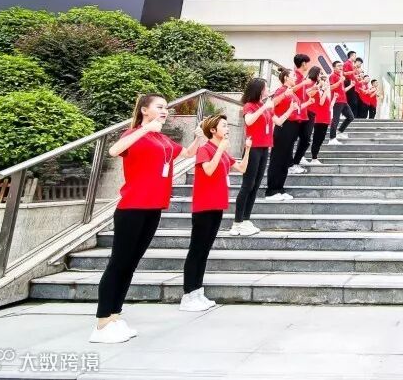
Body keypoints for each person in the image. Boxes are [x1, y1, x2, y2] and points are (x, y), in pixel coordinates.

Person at [91, 94, 207, 344]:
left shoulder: (162, 138)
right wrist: (144, 129)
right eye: (159, 107)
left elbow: (187, 153)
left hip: (154, 207)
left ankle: (114, 316)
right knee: (118, 263)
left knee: (131, 264)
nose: (165, 110)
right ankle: (102, 322)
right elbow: (114, 150)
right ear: (144, 110)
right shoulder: (134, 134)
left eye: (166, 107)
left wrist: (198, 137)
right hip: (132, 207)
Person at [181, 115, 252, 312]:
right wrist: (221, 149)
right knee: (197, 250)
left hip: (217, 205)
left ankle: (197, 291)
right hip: (204, 206)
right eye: (224, 125)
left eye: (228, 125)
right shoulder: (205, 149)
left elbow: (242, 168)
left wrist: (247, 149)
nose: (227, 129)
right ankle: (188, 294)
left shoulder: (222, 152)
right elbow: (209, 170)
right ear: (213, 130)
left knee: (204, 250)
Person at [242, 78, 293, 209]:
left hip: (265, 148)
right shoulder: (250, 105)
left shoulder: (266, 106)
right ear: (259, 90)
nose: (269, 89)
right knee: (248, 185)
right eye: (266, 87)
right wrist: (264, 107)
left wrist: (290, 110)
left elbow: (279, 121)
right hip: (253, 148)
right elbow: (249, 121)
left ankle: (246, 217)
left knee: (256, 184)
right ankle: (239, 218)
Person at [266, 68, 310, 197]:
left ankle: (280, 188)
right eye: (293, 76)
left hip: (293, 126)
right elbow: (272, 103)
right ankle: (272, 190)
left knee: (285, 159)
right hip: (284, 126)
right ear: (286, 77)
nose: (295, 78)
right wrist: (285, 95)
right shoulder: (282, 90)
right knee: (278, 158)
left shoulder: (292, 92)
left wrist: (308, 103)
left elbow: (296, 109)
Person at [291, 55, 319, 170]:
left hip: (303, 111)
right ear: (303, 63)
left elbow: (304, 94)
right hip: (296, 112)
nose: (308, 65)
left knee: (305, 139)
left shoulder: (302, 77)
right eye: (307, 63)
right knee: (295, 140)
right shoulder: (296, 77)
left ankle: (295, 162)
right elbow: (290, 91)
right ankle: (292, 164)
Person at [308, 70, 333, 165]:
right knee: (317, 139)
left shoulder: (323, 91)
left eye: (326, 80)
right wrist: (325, 90)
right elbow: (321, 103)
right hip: (319, 119)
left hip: (325, 118)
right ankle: (314, 158)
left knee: (321, 139)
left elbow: (328, 105)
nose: (326, 82)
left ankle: (315, 157)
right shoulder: (318, 91)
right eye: (324, 80)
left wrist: (333, 97)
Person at [328, 60, 355, 144]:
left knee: (351, 117)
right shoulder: (333, 76)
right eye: (338, 66)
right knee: (335, 120)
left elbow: (343, 90)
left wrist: (351, 85)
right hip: (337, 101)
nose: (341, 67)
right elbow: (331, 87)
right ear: (334, 67)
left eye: (341, 66)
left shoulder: (340, 76)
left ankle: (339, 132)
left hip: (344, 101)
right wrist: (340, 81)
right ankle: (332, 138)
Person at [343, 51, 363, 119]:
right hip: (348, 83)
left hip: (352, 83)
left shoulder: (351, 64)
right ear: (351, 56)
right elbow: (345, 73)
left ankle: (352, 117)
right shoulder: (347, 63)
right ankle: (350, 116)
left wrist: (357, 77)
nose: (355, 57)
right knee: (352, 102)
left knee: (353, 102)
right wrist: (354, 71)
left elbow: (352, 75)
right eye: (355, 56)